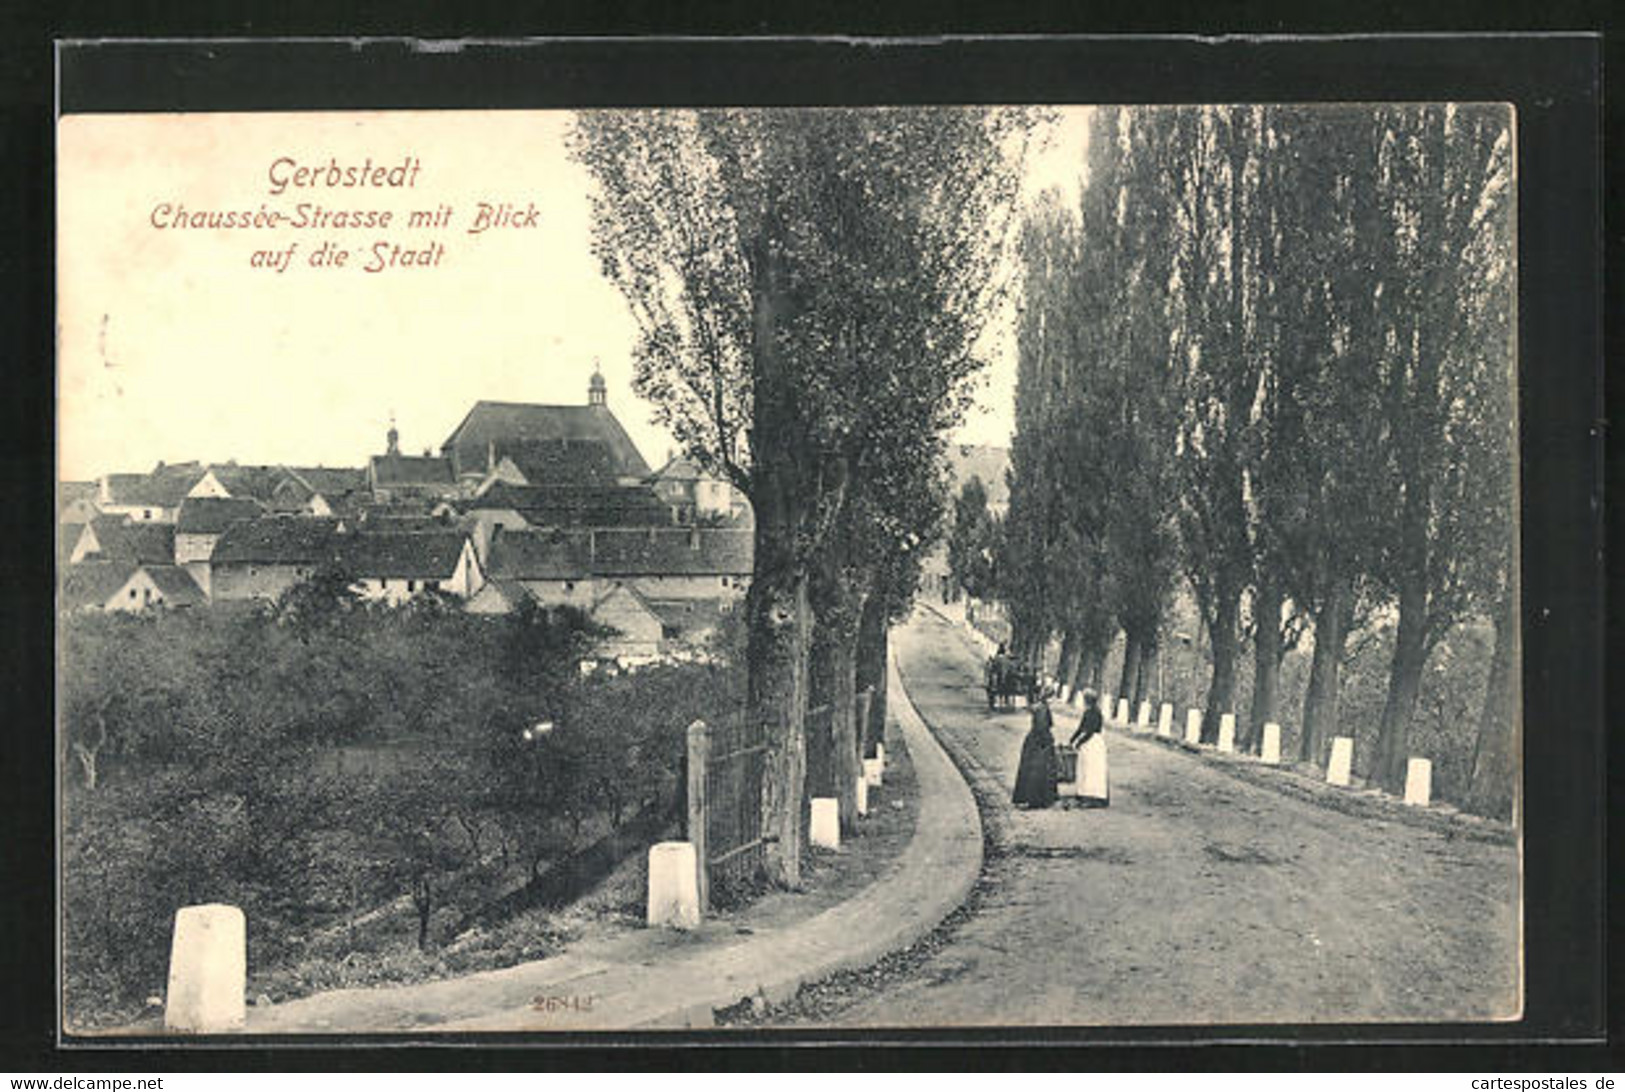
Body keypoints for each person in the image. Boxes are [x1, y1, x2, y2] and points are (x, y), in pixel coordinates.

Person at [1011, 683, 1059, 808]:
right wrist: (1046, 741)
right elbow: (1041, 727)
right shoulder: (1043, 708)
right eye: (1052, 697)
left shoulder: (1040, 706)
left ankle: (1031, 797)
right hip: (1039, 742)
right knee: (1039, 770)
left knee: (1031, 769)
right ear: (1048, 697)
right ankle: (1037, 799)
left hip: (1033, 740)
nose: (1053, 700)